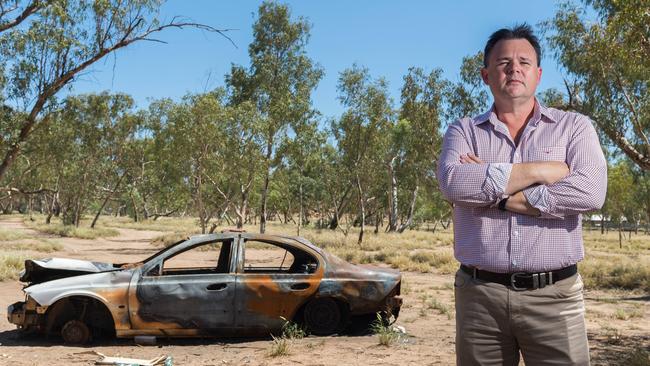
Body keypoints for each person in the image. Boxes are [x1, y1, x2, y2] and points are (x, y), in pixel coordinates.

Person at [437, 24, 607, 366]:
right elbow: (453, 182)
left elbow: (590, 191)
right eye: (503, 62)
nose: (514, 68)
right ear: (486, 75)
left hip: (555, 297)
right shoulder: (463, 130)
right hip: (480, 297)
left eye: (524, 62)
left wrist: (493, 187)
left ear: (538, 74)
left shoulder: (575, 127)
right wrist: (542, 170)